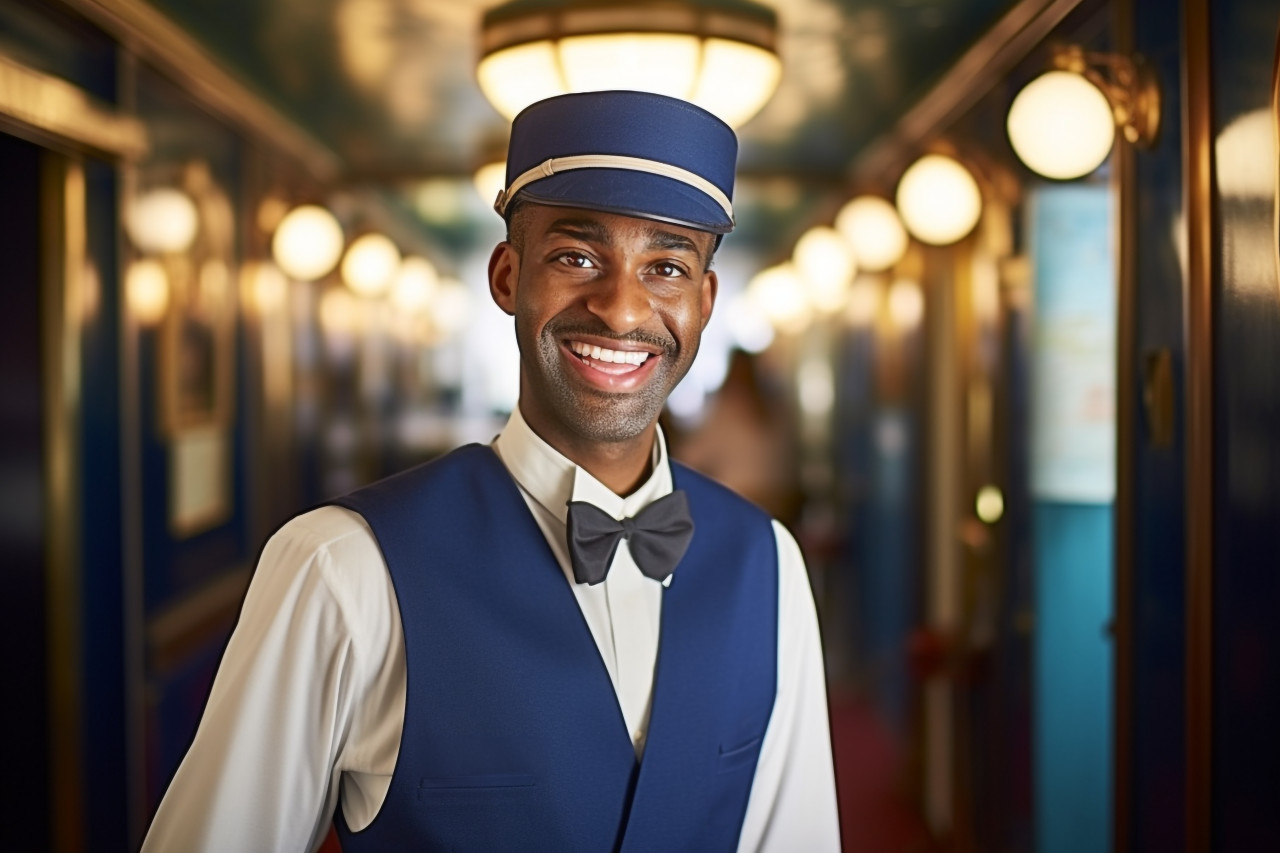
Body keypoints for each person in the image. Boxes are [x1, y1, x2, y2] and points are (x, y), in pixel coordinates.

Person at [142, 90, 840, 852]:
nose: (620, 308)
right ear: (507, 276)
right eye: (577, 257)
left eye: (666, 266)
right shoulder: (343, 567)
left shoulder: (768, 564)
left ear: (703, 302)